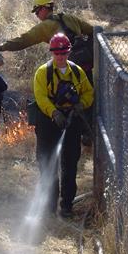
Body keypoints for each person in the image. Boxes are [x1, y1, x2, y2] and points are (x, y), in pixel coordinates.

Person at [0, 0, 94, 145]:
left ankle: (68, 133)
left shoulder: (45, 27)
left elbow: (22, 41)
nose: (37, 15)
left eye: (37, 11)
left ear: (44, 8)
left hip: (64, 69)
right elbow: (92, 30)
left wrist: (1, 47)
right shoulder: (69, 17)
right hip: (83, 67)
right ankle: (88, 133)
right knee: (86, 96)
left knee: (63, 99)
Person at [33, 33, 94, 218]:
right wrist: (54, 112)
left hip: (71, 122)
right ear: (52, 52)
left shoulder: (77, 72)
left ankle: (66, 205)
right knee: (47, 164)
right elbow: (41, 96)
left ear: (68, 52)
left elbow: (88, 92)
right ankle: (49, 206)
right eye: (57, 53)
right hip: (48, 123)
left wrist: (80, 105)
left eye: (64, 53)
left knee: (70, 165)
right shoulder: (43, 72)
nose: (60, 56)